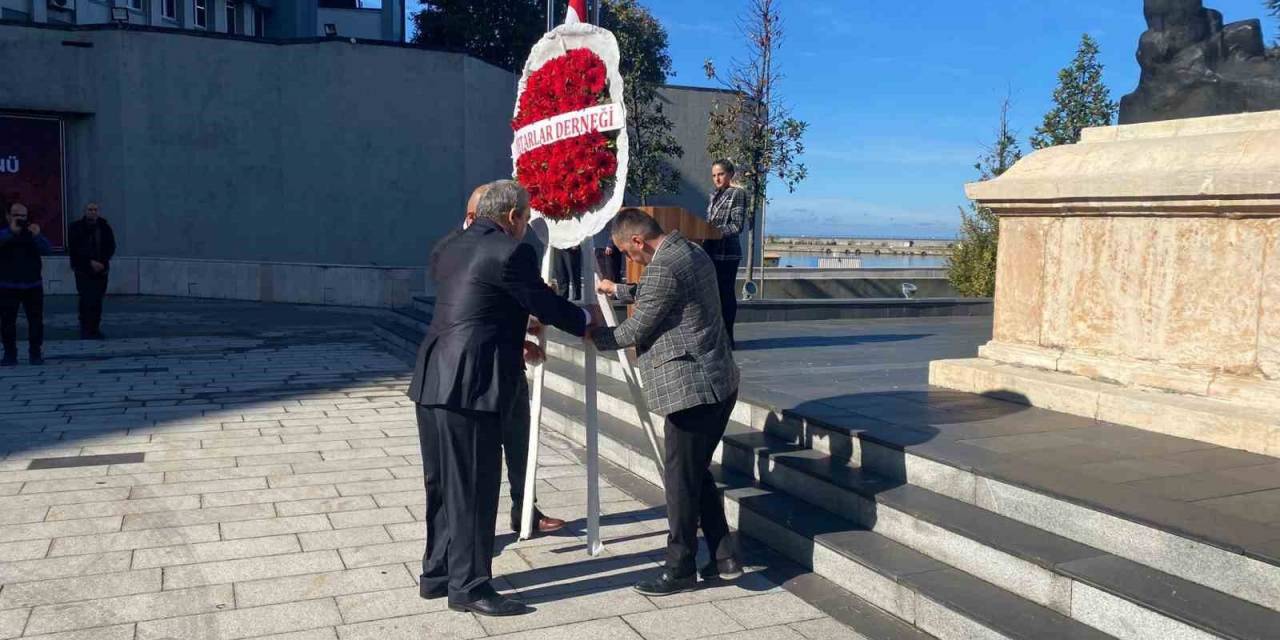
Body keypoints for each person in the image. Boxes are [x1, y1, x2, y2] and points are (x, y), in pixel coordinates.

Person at [408, 180, 595, 617]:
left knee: (441, 484)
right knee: (474, 486)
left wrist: (513, 338)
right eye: (527, 218)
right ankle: (470, 586)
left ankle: (436, 574)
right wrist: (586, 319)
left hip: (433, 378)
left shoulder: (450, 245)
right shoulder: (513, 252)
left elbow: (478, 303)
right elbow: (546, 307)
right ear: (512, 216)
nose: (527, 225)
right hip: (471, 385)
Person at [590, 208, 742, 596]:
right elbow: (660, 293)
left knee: (680, 479)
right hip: (718, 383)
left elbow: (637, 327)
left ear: (638, 241)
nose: (629, 260)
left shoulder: (664, 266)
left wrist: (594, 334)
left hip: (693, 390)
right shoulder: (689, 251)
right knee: (694, 471)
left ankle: (680, 568)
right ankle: (725, 557)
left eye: (628, 253)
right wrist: (617, 290)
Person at [454, 184, 567, 537]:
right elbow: (469, 317)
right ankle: (474, 536)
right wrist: (578, 321)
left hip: (507, 366)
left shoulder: (498, 247)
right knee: (480, 458)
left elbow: (498, 308)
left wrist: (522, 332)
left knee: (520, 443)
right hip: (478, 375)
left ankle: (526, 509)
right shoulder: (464, 250)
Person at [0, 203, 52, 366]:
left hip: (32, 285)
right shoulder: (3, 233)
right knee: (7, 322)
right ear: (8, 216)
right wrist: (11, 233)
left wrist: (37, 235)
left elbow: (47, 249)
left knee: (36, 321)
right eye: (16, 215)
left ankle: (35, 353)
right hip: (8, 285)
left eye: (23, 216)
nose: (20, 219)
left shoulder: (31, 232)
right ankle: (10, 354)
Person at [703, 159, 748, 348]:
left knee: (726, 293)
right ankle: (716, 335)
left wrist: (714, 231)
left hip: (727, 254)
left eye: (720, 174)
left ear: (730, 174)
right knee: (713, 295)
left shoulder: (737, 193)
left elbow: (737, 225)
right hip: (711, 251)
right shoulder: (714, 195)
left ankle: (728, 337)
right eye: (714, 175)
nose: (717, 178)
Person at [67, 202, 116, 340]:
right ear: (85, 211)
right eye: (90, 209)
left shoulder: (105, 227)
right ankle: (85, 328)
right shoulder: (76, 228)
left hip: (101, 270)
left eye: (95, 210)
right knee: (85, 298)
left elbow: (111, 246)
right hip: (83, 270)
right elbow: (75, 248)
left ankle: (95, 329)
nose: (93, 212)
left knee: (97, 300)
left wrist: (103, 262)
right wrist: (89, 262)